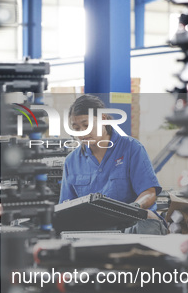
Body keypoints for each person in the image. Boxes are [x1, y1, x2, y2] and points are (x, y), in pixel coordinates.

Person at [58, 95, 167, 235]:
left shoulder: (131, 148)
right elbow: (66, 206)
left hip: (132, 224)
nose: (82, 132)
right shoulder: (71, 161)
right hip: (94, 229)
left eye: (86, 125)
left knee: (148, 226)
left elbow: (149, 192)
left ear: (103, 119)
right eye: (76, 128)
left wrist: (132, 209)